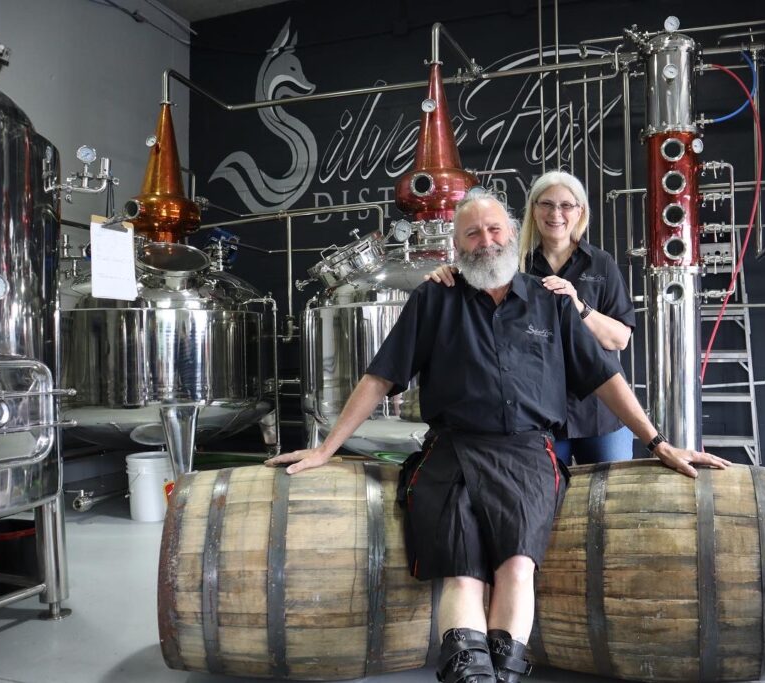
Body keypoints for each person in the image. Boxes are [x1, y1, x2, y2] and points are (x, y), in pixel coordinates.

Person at [267, 191, 728, 683]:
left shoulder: (550, 302)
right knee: (462, 572)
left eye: (493, 230)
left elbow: (605, 379)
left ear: (511, 235)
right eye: (472, 233)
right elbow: (380, 376)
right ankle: (471, 675)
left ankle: (503, 674)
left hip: (529, 453)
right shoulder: (433, 297)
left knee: (516, 566)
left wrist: (658, 443)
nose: (485, 241)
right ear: (457, 245)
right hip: (452, 454)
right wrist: (326, 448)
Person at [426, 170, 637, 466]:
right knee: (549, 505)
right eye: (546, 204)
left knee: (613, 501)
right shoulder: (512, 265)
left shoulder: (601, 263)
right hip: (540, 415)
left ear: (580, 212)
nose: (556, 214)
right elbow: (477, 287)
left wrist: (578, 306)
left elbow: (620, 339)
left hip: (600, 411)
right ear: (533, 210)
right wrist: (448, 273)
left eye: (566, 205)